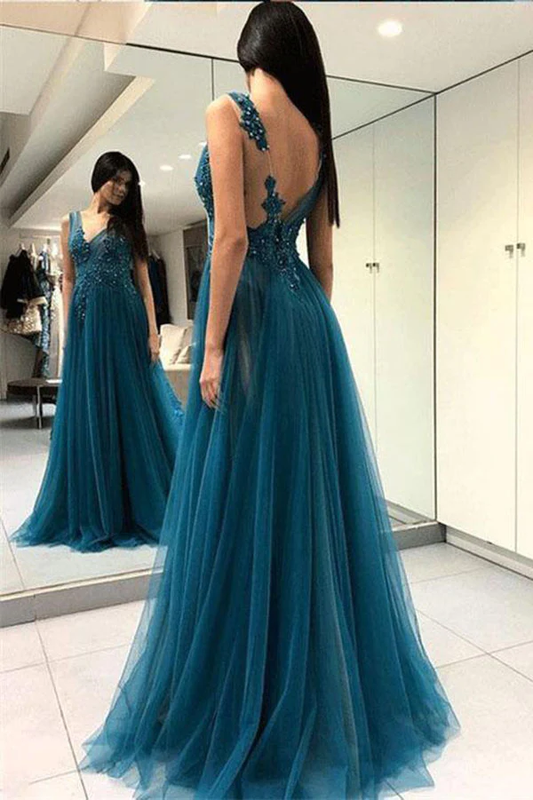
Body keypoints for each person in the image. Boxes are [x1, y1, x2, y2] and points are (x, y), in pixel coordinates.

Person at [80, 4, 460, 797]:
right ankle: (318, 684)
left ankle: (242, 688)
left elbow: (229, 240)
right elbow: (324, 263)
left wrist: (215, 346)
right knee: (303, 500)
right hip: (307, 325)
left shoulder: (229, 111)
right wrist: (304, 338)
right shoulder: (317, 136)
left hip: (249, 319)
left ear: (251, 50)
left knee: (237, 498)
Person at [11, 152, 184, 552]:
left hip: (124, 321)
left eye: (127, 184)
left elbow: (144, 283)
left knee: (130, 406)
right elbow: (69, 280)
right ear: (100, 177)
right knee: (91, 408)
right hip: (88, 327)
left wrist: (153, 333)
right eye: (116, 180)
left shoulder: (128, 226)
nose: (121, 189)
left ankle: (137, 500)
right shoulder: (69, 222)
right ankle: (99, 504)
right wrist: (70, 330)